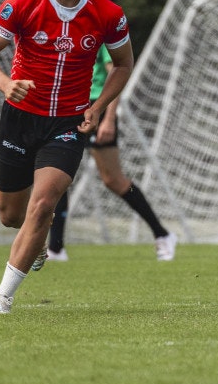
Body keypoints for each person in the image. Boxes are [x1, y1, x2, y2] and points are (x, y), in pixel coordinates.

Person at [0, 0, 133, 314]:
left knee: (44, 205)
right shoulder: (23, 3)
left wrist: (99, 106)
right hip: (20, 118)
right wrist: (6, 84)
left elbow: (124, 64)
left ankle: (3, 297)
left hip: (67, 122)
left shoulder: (107, 12)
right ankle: (37, 241)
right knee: (12, 216)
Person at [45, 44, 176, 263]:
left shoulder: (101, 33)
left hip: (98, 108)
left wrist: (108, 119)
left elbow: (116, 73)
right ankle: (56, 247)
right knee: (59, 175)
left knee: (114, 180)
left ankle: (163, 234)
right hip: (70, 107)